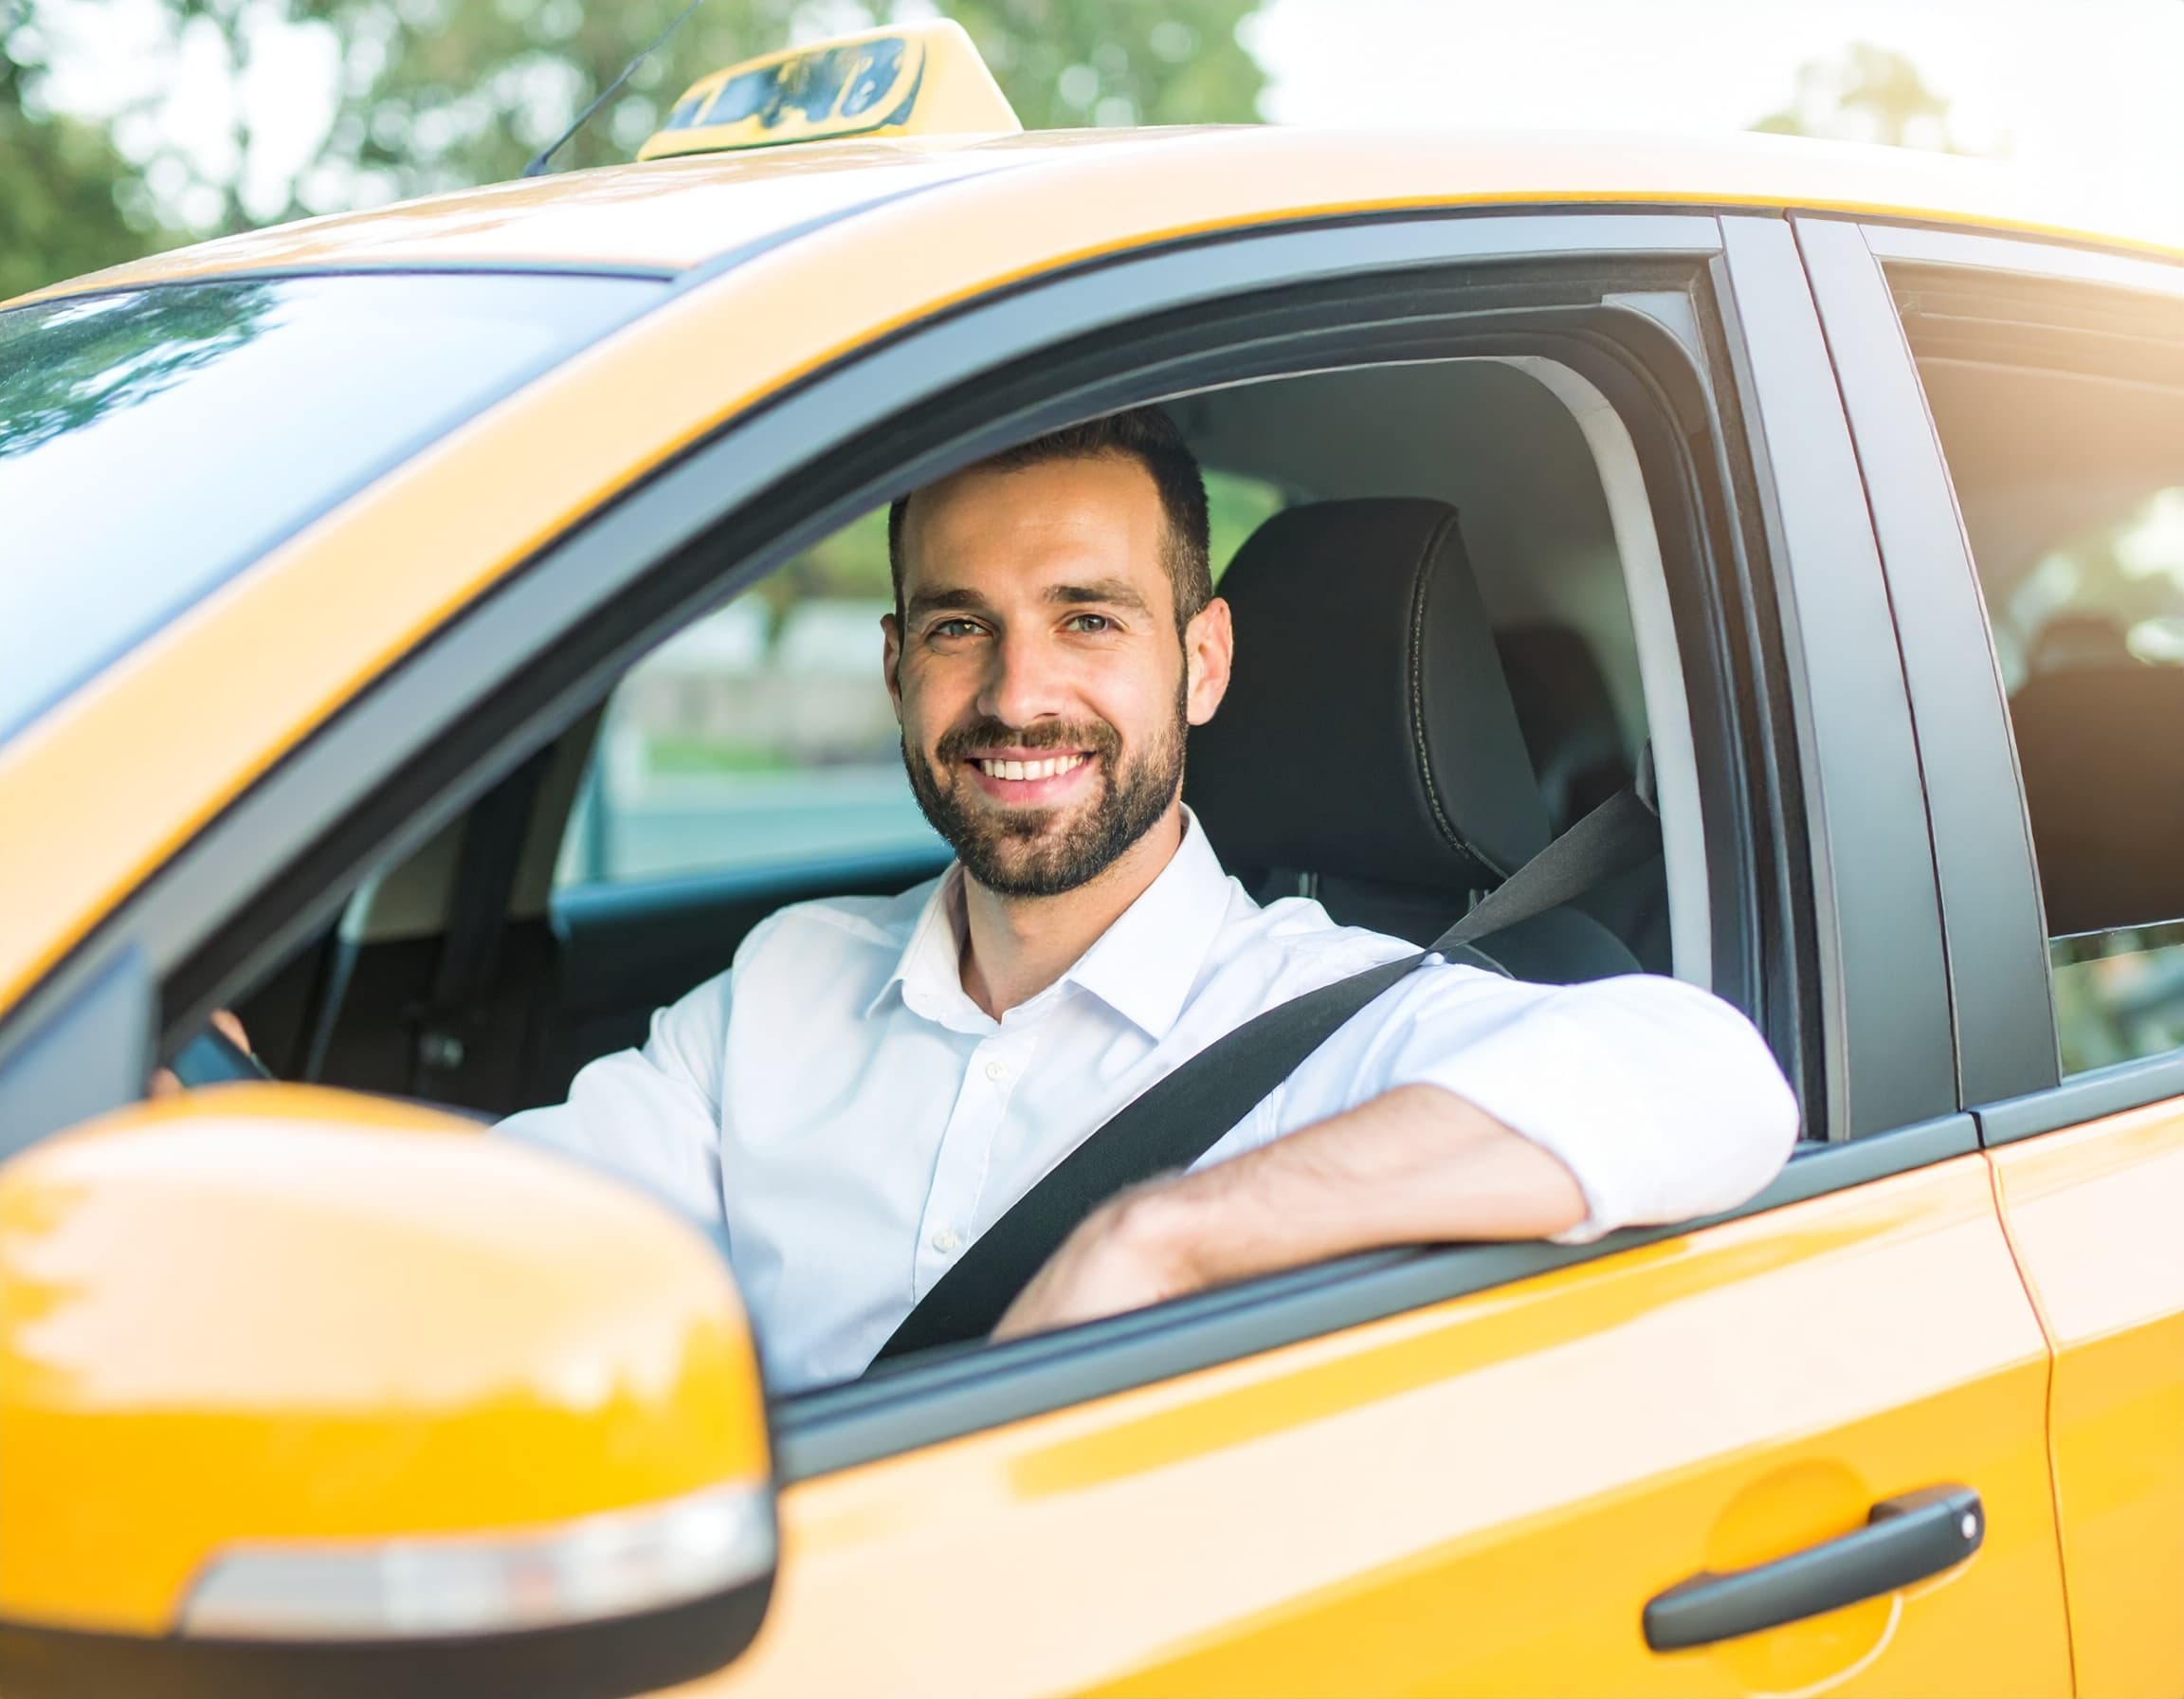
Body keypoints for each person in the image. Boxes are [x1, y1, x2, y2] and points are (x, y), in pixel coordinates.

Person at [500, 408, 1799, 1396]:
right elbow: (495, 1243)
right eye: (960, 627)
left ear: (1204, 662)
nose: (1017, 696)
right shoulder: (783, 989)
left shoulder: (1335, 1019)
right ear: (897, 669)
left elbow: (1712, 1082)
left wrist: (1163, 1238)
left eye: (1088, 622)